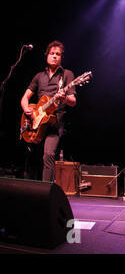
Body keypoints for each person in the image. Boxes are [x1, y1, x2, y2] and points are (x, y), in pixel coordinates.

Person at [21, 40, 76, 182]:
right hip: (36, 121)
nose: (54, 56)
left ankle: (46, 191)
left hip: (54, 122)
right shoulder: (39, 76)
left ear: (61, 57)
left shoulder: (66, 75)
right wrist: (27, 109)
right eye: (52, 53)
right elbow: (25, 98)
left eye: (58, 54)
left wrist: (63, 99)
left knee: (48, 155)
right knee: (32, 157)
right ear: (46, 55)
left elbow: (73, 101)